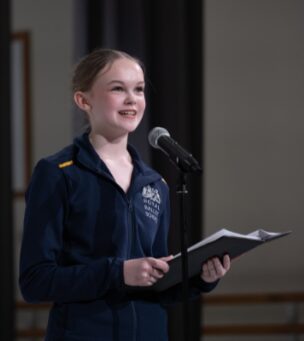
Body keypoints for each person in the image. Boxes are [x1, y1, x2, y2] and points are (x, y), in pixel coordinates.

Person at [17, 49, 232, 340]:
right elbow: (35, 281)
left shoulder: (155, 183)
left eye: (139, 89)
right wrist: (117, 274)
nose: (132, 99)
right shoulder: (58, 173)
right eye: (118, 88)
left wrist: (201, 279)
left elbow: (156, 283)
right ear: (84, 100)